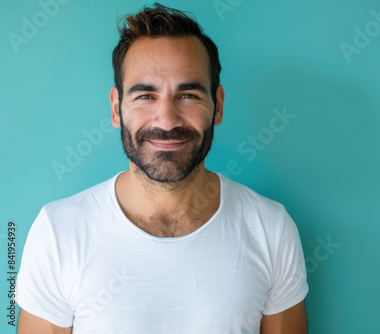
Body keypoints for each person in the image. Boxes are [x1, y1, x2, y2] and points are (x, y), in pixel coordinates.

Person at [15, 3, 308, 333]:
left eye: (187, 95)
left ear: (218, 106)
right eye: (145, 96)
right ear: (116, 109)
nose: (166, 120)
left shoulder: (271, 229)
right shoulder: (58, 233)